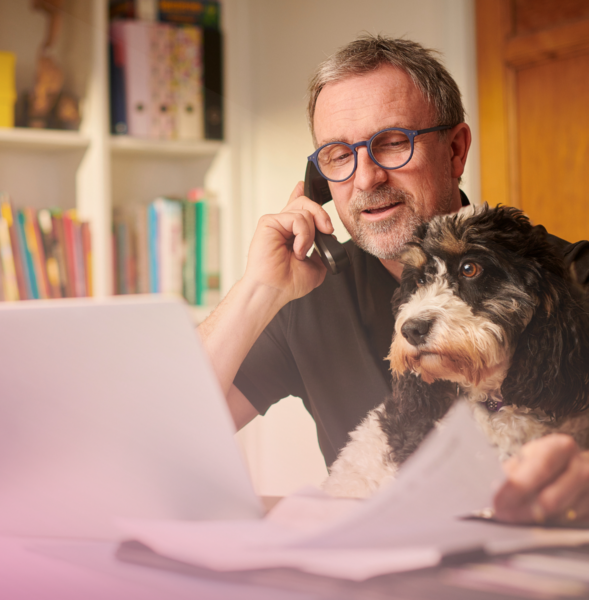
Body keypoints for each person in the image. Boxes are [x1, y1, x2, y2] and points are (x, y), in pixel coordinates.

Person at [198, 34, 589, 525]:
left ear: (455, 150)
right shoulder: (306, 294)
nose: (365, 180)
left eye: (391, 143)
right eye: (338, 155)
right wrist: (258, 290)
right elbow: (162, 430)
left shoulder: (570, 276)